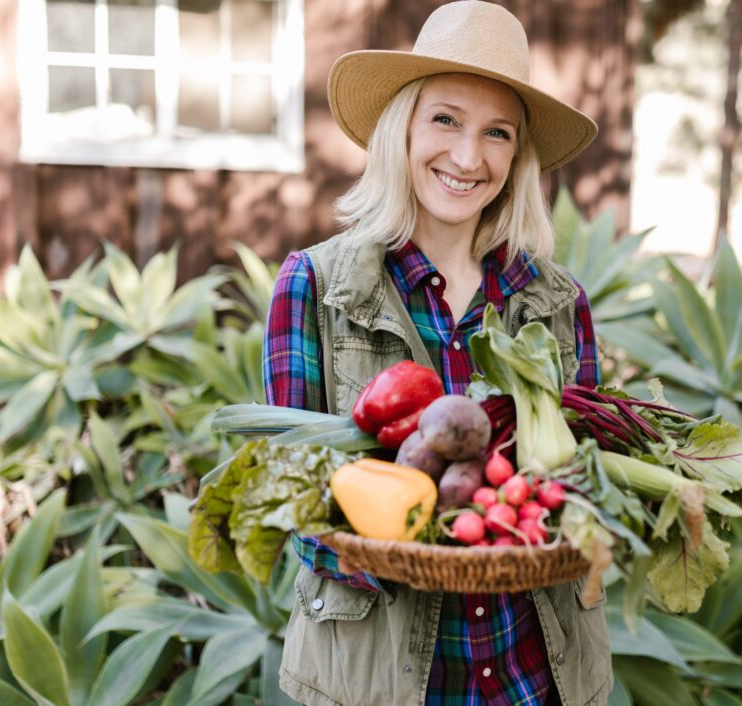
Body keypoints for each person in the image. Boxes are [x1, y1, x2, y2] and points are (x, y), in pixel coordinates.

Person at [263, 2, 612, 704]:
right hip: (376, 681)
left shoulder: (557, 301)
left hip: (536, 678)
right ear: (404, 130)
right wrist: (424, 549)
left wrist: (576, 521)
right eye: (445, 120)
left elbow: (585, 479)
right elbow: (295, 495)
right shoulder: (315, 286)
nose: (466, 157)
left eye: (497, 133)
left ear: (517, 157)